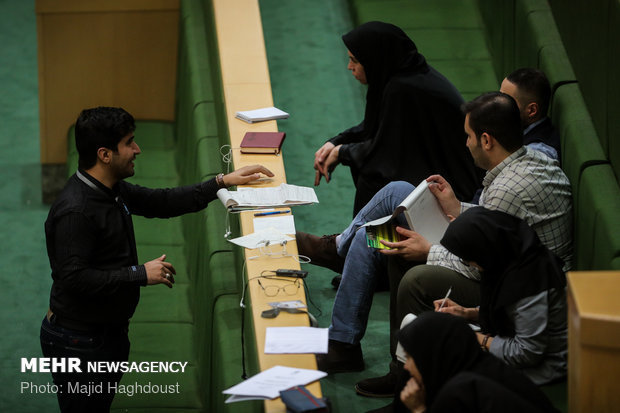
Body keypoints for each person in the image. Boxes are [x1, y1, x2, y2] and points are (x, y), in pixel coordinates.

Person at [300, 93, 571, 387]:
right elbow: (494, 226)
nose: (465, 144)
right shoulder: (525, 159)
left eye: (468, 136)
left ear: (487, 140)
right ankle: (342, 283)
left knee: (410, 268)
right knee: (394, 198)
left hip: (510, 284)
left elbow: (479, 263)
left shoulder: (509, 189)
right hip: (509, 273)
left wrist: (428, 251)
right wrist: (457, 207)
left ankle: (401, 371)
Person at [40, 107, 273, 413]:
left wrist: (220, 181)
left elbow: (160, 202)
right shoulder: (76, 212)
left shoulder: (110, 188)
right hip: (79, 343)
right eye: (129, 143)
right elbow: (74, 279)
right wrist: (138, 273)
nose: (137, 150)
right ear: (105, 155)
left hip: (103, 333)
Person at [313, 21, 480, 216]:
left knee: (373, 176)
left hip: (455, 186)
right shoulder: (403, 75)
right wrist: (337, 142)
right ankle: (353, 239)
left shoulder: (404, 88)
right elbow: (376, 127)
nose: (350, 67)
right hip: (434, 163)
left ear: (374, 60)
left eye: (355, 61)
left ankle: (356, 242)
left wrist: (342, 153)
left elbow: (385, 151)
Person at [435, 207, 567, 385]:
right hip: (514, 344)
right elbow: (510, 310)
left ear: (483, 251)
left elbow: (527, 353)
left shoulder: (529, 282)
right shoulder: (510, 258)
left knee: (445, 361)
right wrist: (467, 312)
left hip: (543, 368)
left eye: (468, 259)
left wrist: (476, 338)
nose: (470, 264)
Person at [387, 312, 560, 413]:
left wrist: (418, 409)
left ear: (435, 357)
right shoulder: (487, 366)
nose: (407, 366)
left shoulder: (458, 394)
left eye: (411, 358)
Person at [500, 67, 560, 161]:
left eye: (507, 102)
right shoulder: (517, 127)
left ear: (532, 110)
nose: (499, 107)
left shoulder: (538, 152)